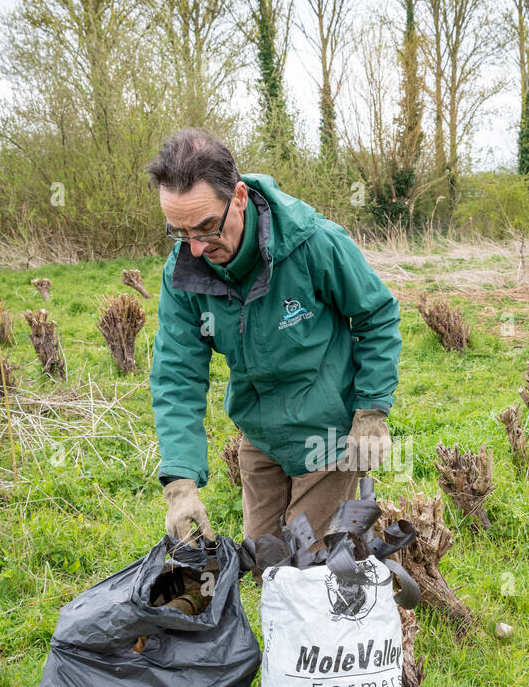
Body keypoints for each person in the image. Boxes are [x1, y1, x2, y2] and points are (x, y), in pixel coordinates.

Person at [146, 129, 401, 576]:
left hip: (328, 436)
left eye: (207, 227)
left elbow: (376, 315)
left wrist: (372, 412)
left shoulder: (313, 243)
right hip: (261, 438)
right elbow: (176, 374)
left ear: (239, 197)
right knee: (266, 565)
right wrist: (180, 484)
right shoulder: (183, 271)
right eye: (180, 232)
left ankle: (338, 630)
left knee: (309, 570)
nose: (198, 248)